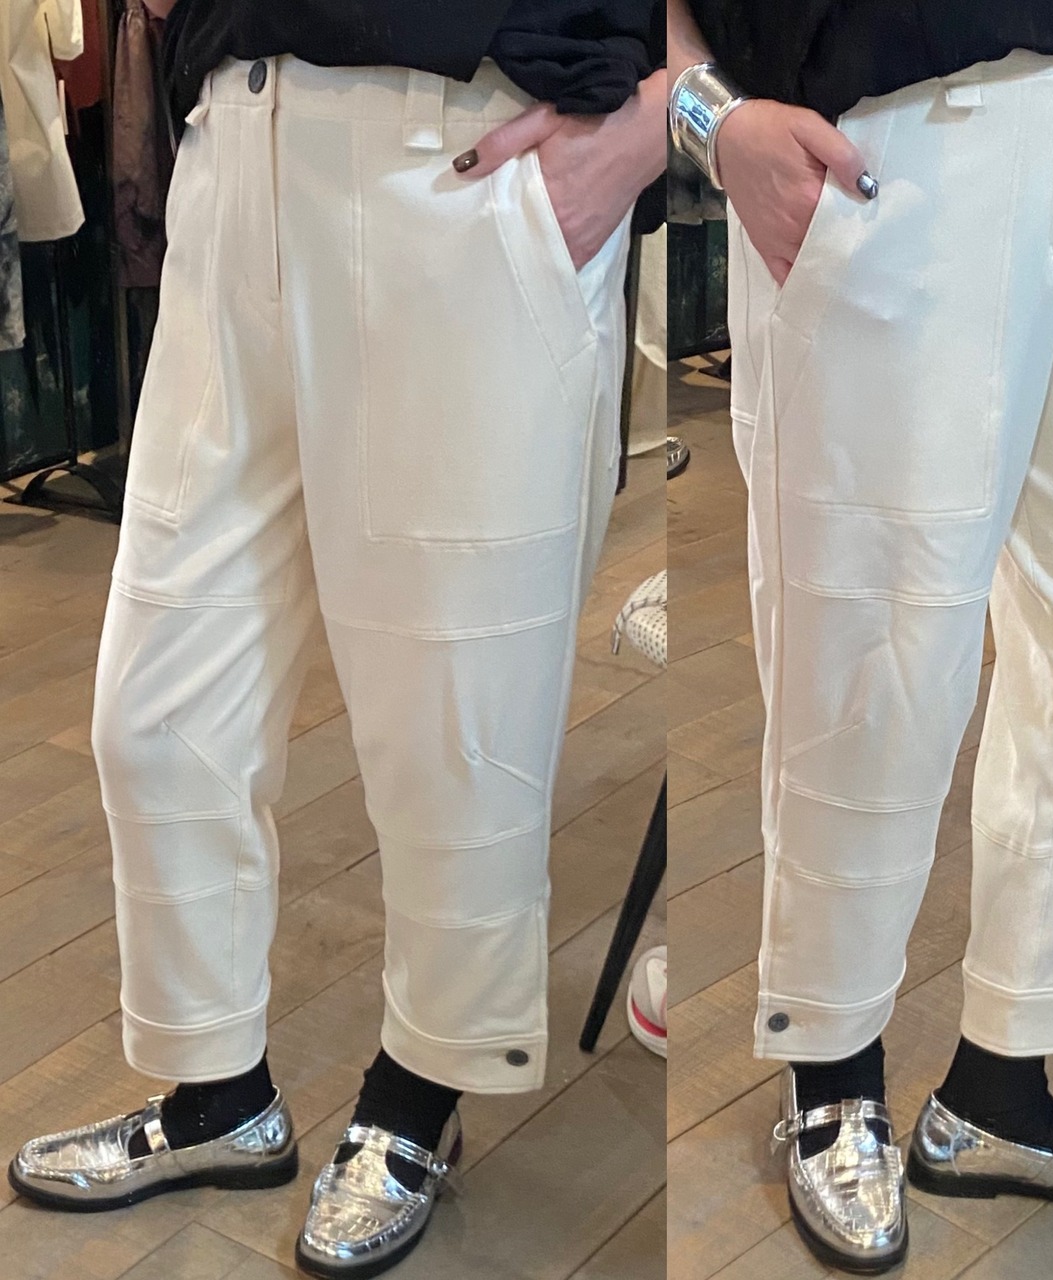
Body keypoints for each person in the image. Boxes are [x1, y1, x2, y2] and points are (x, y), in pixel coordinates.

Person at [8, 3, 664, 1277]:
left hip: (462, 149)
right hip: (237, 134)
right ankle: (218, 1094)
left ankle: (418, 1093)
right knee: (157, 702)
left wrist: (649, 126)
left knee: (452, 714)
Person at [669, 0, 1053, 1271]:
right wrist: (704, 111)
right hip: (892, 143)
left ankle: (996, 1092)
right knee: (868, 653)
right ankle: (830, 1076)